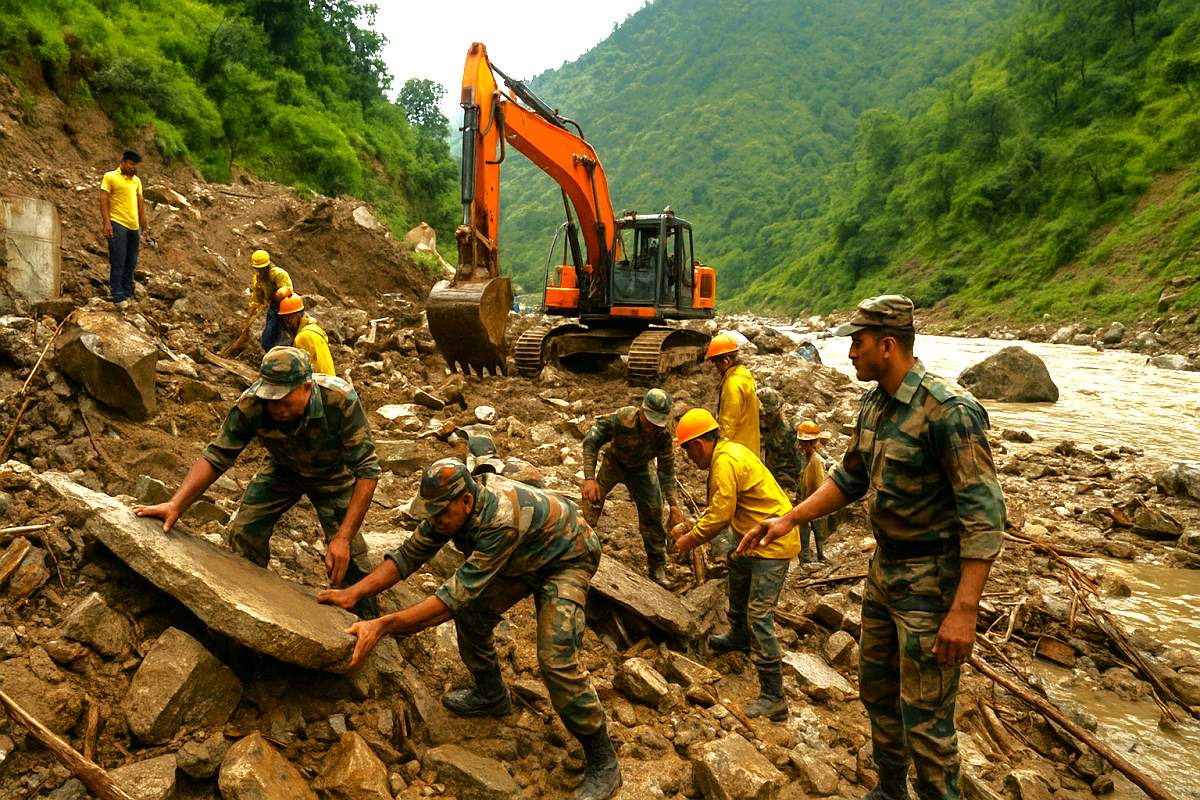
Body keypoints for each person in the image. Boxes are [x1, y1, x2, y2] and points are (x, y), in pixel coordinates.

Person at [736, 295, 1006, 800]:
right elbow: (850, 478)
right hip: (885, 572)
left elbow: (985, 516)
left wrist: (964, 609)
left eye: (857, 343)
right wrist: (789, 518)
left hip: (933, 583)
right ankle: (890, 788)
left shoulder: (949, 412)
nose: (850, 353)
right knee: (877, 690)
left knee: (927, 721)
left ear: (887, 345)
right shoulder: (875, 404)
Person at [318, 459, 622, 800]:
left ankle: (603, 759)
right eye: (432, 513)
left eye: (441, 514)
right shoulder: (448, 510)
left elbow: (450, 600)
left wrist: (383, 625)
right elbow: (407, 557)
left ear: (465, 501)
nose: (435, 521)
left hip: (567, 556)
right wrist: (353, 593)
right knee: (472, 615)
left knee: (556, 658)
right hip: (522, 555)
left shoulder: (500, 520)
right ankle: (492, 695)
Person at [135, 347, 381, 618]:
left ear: (307, 387)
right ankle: (250, 607)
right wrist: (176, 505)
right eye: (271, 401)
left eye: (284, 401)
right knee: (244, 533)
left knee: (350, 557)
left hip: (333, 475)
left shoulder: (340, 399)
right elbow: (217, 455)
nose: (277, 410)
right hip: (283, 469)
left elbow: (368, 471)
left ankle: (369, 622)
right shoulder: (252, 403)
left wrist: (342, 538)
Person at [670, 408, 799, 722]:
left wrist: (690, 540)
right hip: (751, 538)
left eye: (687, 450)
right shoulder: (727, 453)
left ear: (698, 445)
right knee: (736, 566)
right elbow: (721, 506)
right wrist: (691, 525)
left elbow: (720, 516)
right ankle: (739, 635)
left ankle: (774, 697)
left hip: (773, 543)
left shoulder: (725, 461)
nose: (688, 458)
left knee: (760, 615)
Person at [581, 388, 686, 587]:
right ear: (641, 411)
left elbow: (666, 471)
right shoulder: (622, 418)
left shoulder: (663, 434)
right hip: (614, 463)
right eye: (648, 421)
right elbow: (591, 441)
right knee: (592, 500)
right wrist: (589, 478)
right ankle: (579, 548)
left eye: (656, 424)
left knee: (653, 511)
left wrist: (673, 505)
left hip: (642, 469)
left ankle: (657, 568)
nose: (650, 428)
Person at [99, 149, 147, 305]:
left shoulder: (137, 181)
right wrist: (106, 222)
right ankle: (117, 293)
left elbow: (140, 202)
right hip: (117, 223)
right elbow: (103, 199)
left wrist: (144, 223)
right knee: (118, 259)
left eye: (136, 165)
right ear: (123, 162)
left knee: (131, 261)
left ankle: (127, 291)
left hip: (134, 226)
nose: (134, 167)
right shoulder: (110, 177)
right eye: (132, 164)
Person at [706, 333, 759, 454]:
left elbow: (727, 426)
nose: (716, 368)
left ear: (726, 360)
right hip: (749, 446)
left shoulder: (733, 385)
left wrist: (717, 451)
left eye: (716, 363)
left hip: (737, 451)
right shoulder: (744, 375)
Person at [796, 419, 834, 563]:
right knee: (803, 533)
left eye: (804, 443)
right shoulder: (805, 458)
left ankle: (821, 557)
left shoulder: (816, 461)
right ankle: (805, 560)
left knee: (819, 532)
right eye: (801, 442)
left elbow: (819, 485)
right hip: (805, 501)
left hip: (814, 502)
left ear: (812, 443)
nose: (802, 445)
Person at [757, 388, 802, 495]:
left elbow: (797, 464)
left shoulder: (787, 432)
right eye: (762, 414)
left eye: (769, 415)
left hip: (782, 481)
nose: (765, 418)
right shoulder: (758, 425)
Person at [247, 250, 293, 352]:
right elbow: (257, 298)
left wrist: (277, 296)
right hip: (273, 308)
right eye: (257, 269)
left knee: (283, 336)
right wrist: (252, 312)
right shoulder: (257, 280)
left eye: (262, 268)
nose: (260, 271)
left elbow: (288, 290)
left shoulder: (278, 274)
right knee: (267, 339)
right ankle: (272, 353)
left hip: (287, 307)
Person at [277, 295, 334, 375]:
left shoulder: (302, 338)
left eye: (289, 318)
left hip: (319, 381)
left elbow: (302, 374)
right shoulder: (315, 329)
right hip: (331, 380)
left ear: (298, 315)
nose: (287, 323)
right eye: (285, 319)